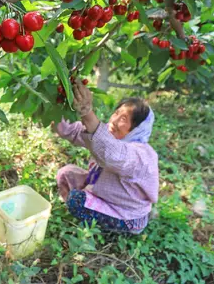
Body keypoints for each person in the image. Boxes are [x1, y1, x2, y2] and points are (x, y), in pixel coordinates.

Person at [52, 80, 158, 234]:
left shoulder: (142, 155)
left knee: (77, 200)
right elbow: (77, 132)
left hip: (126, 215)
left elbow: (112, 154)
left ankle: (92, 219)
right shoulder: (110, 137)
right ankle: (88, 204)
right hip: (101, 192)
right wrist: (52, 109)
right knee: (66, 173)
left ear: (137, 129)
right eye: (116, 113)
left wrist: (87, 113)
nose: (114, 120)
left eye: (123, 119)